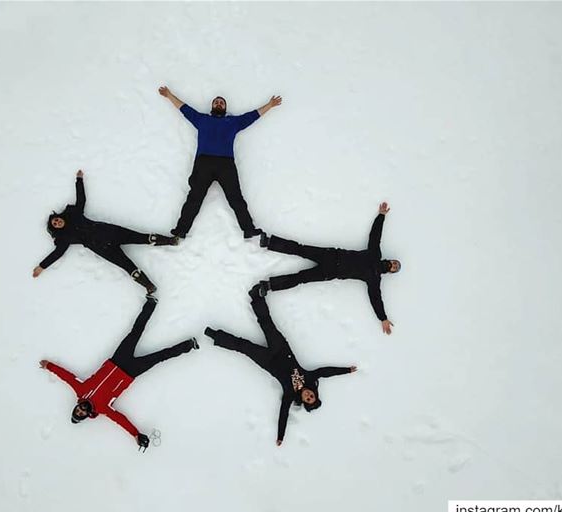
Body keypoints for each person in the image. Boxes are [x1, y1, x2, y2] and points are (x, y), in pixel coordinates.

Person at [40, 295, 198, 451]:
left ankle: (151, 303)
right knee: (159, 357)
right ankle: (189, 344)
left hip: (116, 360)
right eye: (81, 413)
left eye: (77, 410)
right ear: (86, 415)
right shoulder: (103, 409)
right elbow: (121, 420)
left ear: (76, 406)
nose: (81, 410)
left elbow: (67, 377)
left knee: (134, 333)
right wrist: (136, 434)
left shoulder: (80, 390)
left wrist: (50, 366)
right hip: (129, 373)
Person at [204, 286, 356, 446]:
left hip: (268, 361)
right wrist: (346, 370)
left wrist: (281, 436)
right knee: (267, 323)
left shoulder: (290, 394)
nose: (309, 395)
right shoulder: (310, 378)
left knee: (243, 346)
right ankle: (256, 297)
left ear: (304, 401)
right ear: (314, 392)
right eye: (312, 396)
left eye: (308, 399)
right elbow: (325, 371)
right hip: (281, 348)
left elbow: (283, 413)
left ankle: (215, 335)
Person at [257, 202, 401, 335]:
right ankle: (269, 242)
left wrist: (383, 318)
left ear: (391, 272)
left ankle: (269, 285)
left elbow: (375, 298)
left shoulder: (375, 278)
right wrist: (381, 216)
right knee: (300, 249)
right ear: (390, 260)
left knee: (300, 278)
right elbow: (375, 236)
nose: (393, 265)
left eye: (395, 268)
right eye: (395, 263)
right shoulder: (375, 254)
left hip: (331, 272)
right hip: (331, 255)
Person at [158, 86, 282, 238]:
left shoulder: (233, 122)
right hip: (204, 163)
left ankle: (248, 229)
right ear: (212, 107)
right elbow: (184, 108)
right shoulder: (202, 119)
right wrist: (169, 95)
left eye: (221, 102)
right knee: (194, 198)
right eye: (216, 102)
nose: (218, 103)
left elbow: (252, 116)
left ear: (225, 108)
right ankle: (181, 230)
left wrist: (269, 105)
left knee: (236, 198)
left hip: (226, 164)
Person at [32, 170, 177, 294]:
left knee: (141, 238)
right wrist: (42, 266)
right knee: (126, 265)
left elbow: (81, 200)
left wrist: (79, 180)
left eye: (56, 220)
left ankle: (170, 241)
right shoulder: (64, 238)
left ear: (59, 217)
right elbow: (57, 253)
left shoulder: (74, 214)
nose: (57, 222)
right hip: (101, 248)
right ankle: (149, 286)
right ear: (56, 229)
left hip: (110, 231)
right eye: (55, 225)